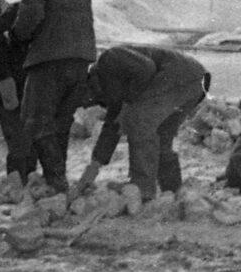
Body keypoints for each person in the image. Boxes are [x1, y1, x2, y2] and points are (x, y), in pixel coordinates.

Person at [12, 0, 97, 193]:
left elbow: (33, 11)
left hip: (50, 55)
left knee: (37, 120)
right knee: (61, 122)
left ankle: (56, 183)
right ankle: (58, 182)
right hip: (81, 56)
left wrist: (17, 35)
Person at [76, 44, 210, 202]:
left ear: (88, 82)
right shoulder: (111, 89)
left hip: (179, 73)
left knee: (139, 123)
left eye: (91, 97)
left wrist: (131, 100)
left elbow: (146, 68)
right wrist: (93, 167)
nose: (96, 102)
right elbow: (112, 127)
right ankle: (173, 190)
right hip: (195, 79)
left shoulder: (109, 59)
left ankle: (142, 189)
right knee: (160, 135)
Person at [0, 0, 35, 182]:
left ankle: (28, 182)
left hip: (32, 85)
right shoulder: (17, 11)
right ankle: (16, 185)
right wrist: (4, 77)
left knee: (32, 141)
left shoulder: (54, 13)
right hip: (10, 86)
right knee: (18, 143)